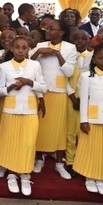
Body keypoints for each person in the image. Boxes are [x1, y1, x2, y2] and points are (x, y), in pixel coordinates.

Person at [0, 36, 47, 196]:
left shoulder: (35, 65)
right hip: (11, 111)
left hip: (30, 111)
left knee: (27, 142)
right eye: (17, 47)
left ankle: (25, 173)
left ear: (28, 50)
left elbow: (44, 87)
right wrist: (10, 87)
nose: (20, 50)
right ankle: (11, 173)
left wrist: (29, 82)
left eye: (24, 48)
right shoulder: (4, 67)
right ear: (11, 48)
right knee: (11, 141)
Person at [31, 19, 76, 179]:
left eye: (52, 28)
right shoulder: (39, 46)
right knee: (41, 129)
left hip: (59, 93)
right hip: (42, 92)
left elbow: (69, 72)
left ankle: (59, 164)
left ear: (62, 32)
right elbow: (29, 64)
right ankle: (39, 159)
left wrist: (57, 54)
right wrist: (38, 52)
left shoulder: (70, 48)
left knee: (59, 130)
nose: (47, 31)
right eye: (46, 28)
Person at [74, 44, 103, 196]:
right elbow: (84, 100)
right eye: (101, 58)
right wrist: (83, 120)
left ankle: (101, 179)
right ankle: (90, 177)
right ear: (94, 60)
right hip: (92, 120)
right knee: (92, 150)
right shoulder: (87, 77)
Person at [65, 30, 91, 174]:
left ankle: (84, 160)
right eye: (76, 38)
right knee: (70, 131)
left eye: (83, 38)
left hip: (87, 100)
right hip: (71, 99)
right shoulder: (68, 58)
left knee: (85, 131)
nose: (80, 41)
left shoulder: (93, 57)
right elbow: (65, 80)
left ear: (89, 41)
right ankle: (70, 161)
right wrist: (73, 97)